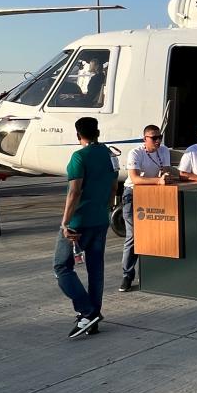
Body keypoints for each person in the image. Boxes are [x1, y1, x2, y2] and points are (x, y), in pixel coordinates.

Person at [56, 116, 117, 338]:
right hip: (101, 219)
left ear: (78, 134)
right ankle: (93, 319)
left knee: (62, 267)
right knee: (95, 270)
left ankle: (87, 311)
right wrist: (107, 209)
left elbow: (74, 191)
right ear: (97, 132)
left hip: (78, 223)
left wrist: (65, 223)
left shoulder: (79, 157)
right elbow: (112, 187)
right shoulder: (109, 154)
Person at [119, 124, 171, 293]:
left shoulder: (164, 151)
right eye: (153, 138)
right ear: (145, 139)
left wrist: (166, 176)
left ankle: (152, 272)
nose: (157, 141)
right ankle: (127, 274)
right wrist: (158, 181)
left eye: (159, 137)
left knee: (154, 233)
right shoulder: (136, 153)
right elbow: (134, 178)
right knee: (133, 236)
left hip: (153, 195)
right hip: (133, 195)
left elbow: (167, 170)